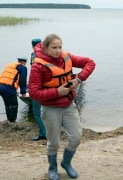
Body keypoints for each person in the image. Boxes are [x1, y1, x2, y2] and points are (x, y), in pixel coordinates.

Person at [28, 34, 96, 180]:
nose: (58, 50)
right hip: (50, 109)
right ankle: (52, 168)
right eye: (54, 48)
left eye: (60, 47)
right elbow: (34, 93)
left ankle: (66, 163)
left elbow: (90, 63)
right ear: (46, 48)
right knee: (54, 142)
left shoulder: (67, 57)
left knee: (76, 138)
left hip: (69, 105)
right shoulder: (38, 66)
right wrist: (57, 91)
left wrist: (79, 79)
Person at [0, 57, 28, 122]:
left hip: (1, 86)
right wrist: (23, 92)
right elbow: (22, 80)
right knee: (14, 105)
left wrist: (14, 90)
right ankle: (12, 122)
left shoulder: (10, 65)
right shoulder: (23, 67)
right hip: (8, 88)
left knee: (7, 104)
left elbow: (10, 78)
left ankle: (8, 120)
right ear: (24, 62)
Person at [30, 38, 47, 141]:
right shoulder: (49, 54)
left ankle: (43, 133)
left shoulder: (34, 55)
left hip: (39, 87)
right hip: (50, 86)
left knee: (36, 111)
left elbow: (34, 72)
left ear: (33, 46)